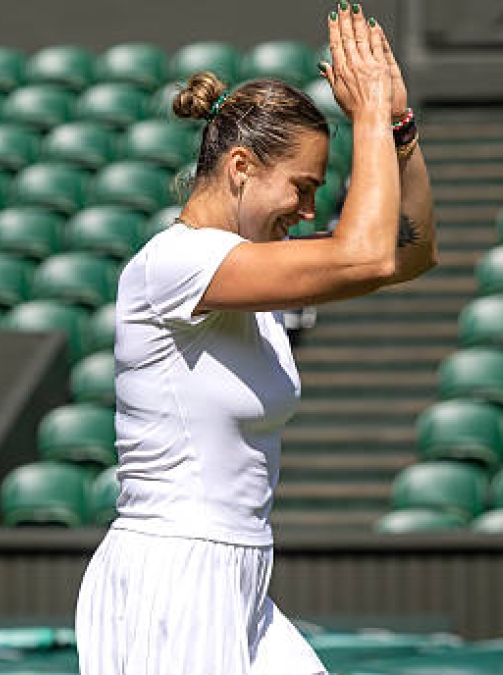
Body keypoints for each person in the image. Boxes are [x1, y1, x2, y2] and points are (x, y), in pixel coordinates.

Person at [75, 5, 435, 675]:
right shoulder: (175, 262)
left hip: (237, 576)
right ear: (241, 166)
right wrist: (366, 118)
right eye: (302, 189)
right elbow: (368, 257)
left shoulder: (250, 274)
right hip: (172, 579)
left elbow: (407, 255)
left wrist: (398, 127)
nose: (308, 213)